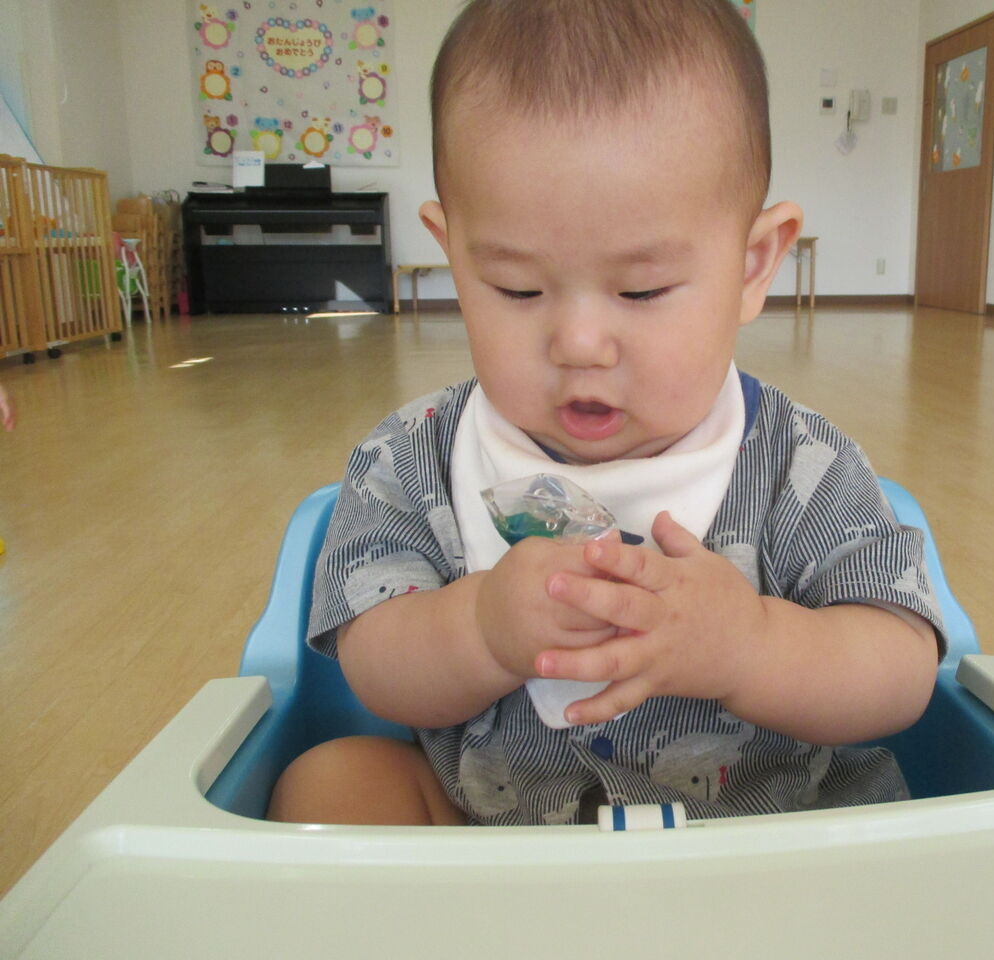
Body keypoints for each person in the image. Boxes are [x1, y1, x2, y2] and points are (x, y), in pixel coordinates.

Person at [268, 0, 946, 828]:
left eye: (642, 290)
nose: (580, 343)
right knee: (329, 786)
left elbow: (902, 669)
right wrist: (479, 629)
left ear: (752, 265)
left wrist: (753, 647)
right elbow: (372, 662)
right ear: (453, 255)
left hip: (763, 851)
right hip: (498, 852)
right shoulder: (415, 459)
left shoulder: (800, 467)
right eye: (518, 288)